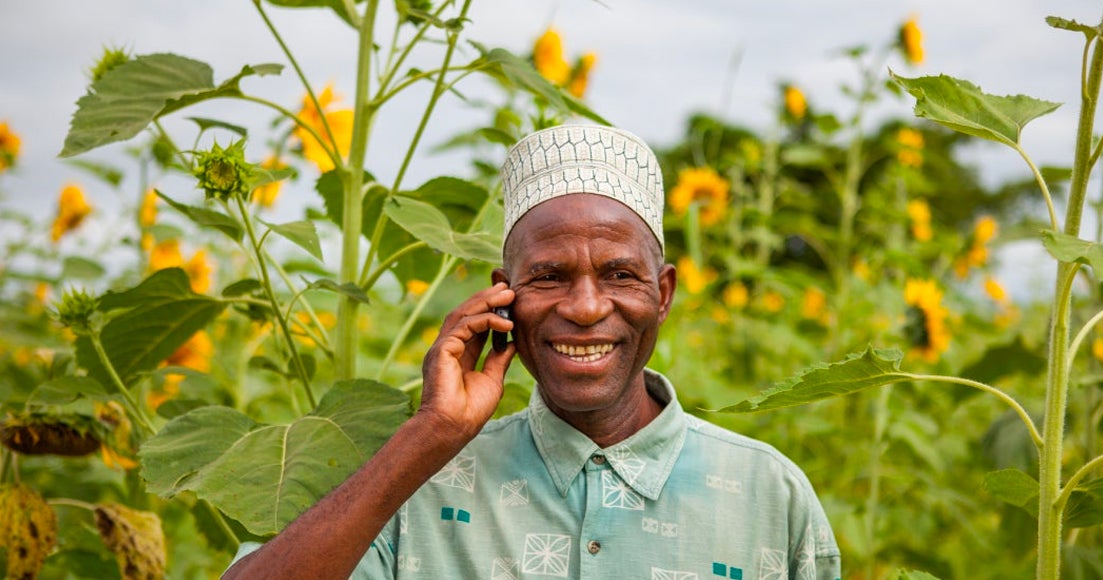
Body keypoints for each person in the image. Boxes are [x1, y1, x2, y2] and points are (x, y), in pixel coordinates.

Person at [223, 125, 841, 579]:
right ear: (502, 293)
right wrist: (430, 433)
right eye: (548, 275)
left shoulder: (767, 495)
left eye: (621, 275)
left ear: (664, 293)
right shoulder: (422, 486)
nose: (586, 306)